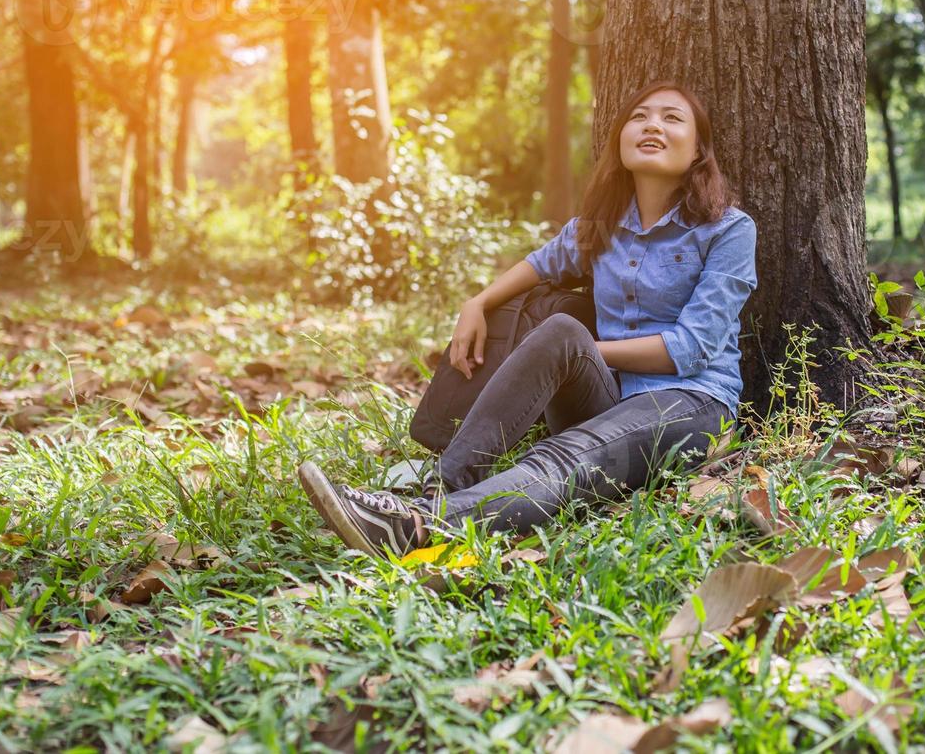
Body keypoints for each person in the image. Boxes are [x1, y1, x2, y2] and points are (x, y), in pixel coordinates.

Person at [298, 80, 759, 555]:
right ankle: (442, 486)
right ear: (620, 138)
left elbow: (691, 348)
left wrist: (591, 352)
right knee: (561, 330)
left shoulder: (727, 230)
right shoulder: (599, 227)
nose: (652, 125)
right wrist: (476, 303)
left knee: (564, 454)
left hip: (692, 405)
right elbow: (541, 264)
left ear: (699, 149)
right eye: (639, 116)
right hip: (610, 399)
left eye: (671, 118)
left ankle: (418, 527)